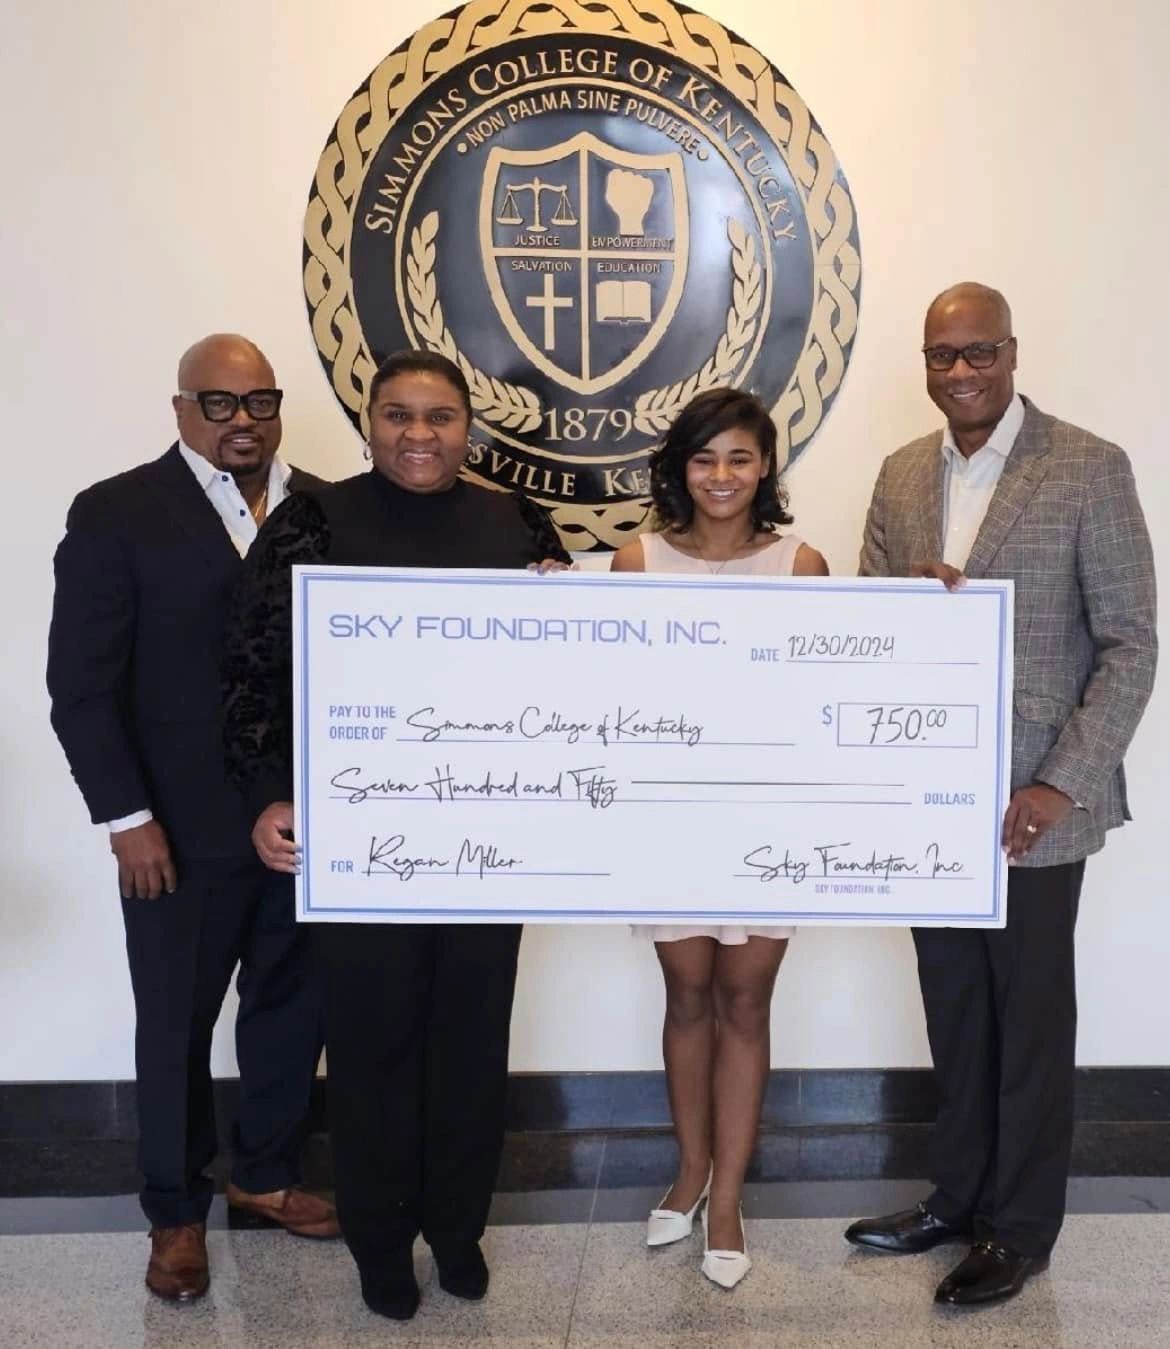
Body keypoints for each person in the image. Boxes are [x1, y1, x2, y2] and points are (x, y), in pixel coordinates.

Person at [221, 348, 570, 1322]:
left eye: (442, 416)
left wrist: (567, 606)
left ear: (472, 426)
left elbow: (572, 676)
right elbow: (253, 672)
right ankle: (381, 1243)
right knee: (373, 1050)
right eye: (399, 415)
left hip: (489, 839)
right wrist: (267, 793)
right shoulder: (317, 521)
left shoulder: (516, 522)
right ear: (368, 422)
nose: (420, 434)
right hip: (362, 841)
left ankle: (457, 1230)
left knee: (469, 1046)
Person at [845, 283, 1156, 1306]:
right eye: (942, 357)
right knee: (957, 1009)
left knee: (1028, 1020)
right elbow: (869, 637)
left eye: (978, 353)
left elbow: (1129, 643)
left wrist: (1060, 781)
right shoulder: (899, 477)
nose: (960, 373)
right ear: (925, 364)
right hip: (928, 806)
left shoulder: (1087, 465)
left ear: (1012, 354)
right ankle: (958, 1195)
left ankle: (1020, 1226)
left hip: (1035, 810)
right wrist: (909, 613)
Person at [46, 334, 338, 1304]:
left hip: (307, 825)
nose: (241, 420)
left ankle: (265, 1171)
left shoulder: (327, 509)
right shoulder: (116, 513)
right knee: (174, 1024)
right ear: (179, 409)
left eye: (259, 399)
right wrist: (126, 817)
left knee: (292, 1011)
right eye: (218, 402)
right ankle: (176, 1212)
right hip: (173, 831)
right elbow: (81, 687)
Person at [610, 387, 828, 1289]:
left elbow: (823, 702)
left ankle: (730, 1194)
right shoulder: (637, 559)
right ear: (680, 467)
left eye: (740, 457)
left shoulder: (801, 564)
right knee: (687, 991)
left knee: (745, 998)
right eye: (704, 458)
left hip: (770, 815)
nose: (722, 476)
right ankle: (690, 1167)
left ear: (766, 464)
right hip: (669, 814)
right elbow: (607, 695)